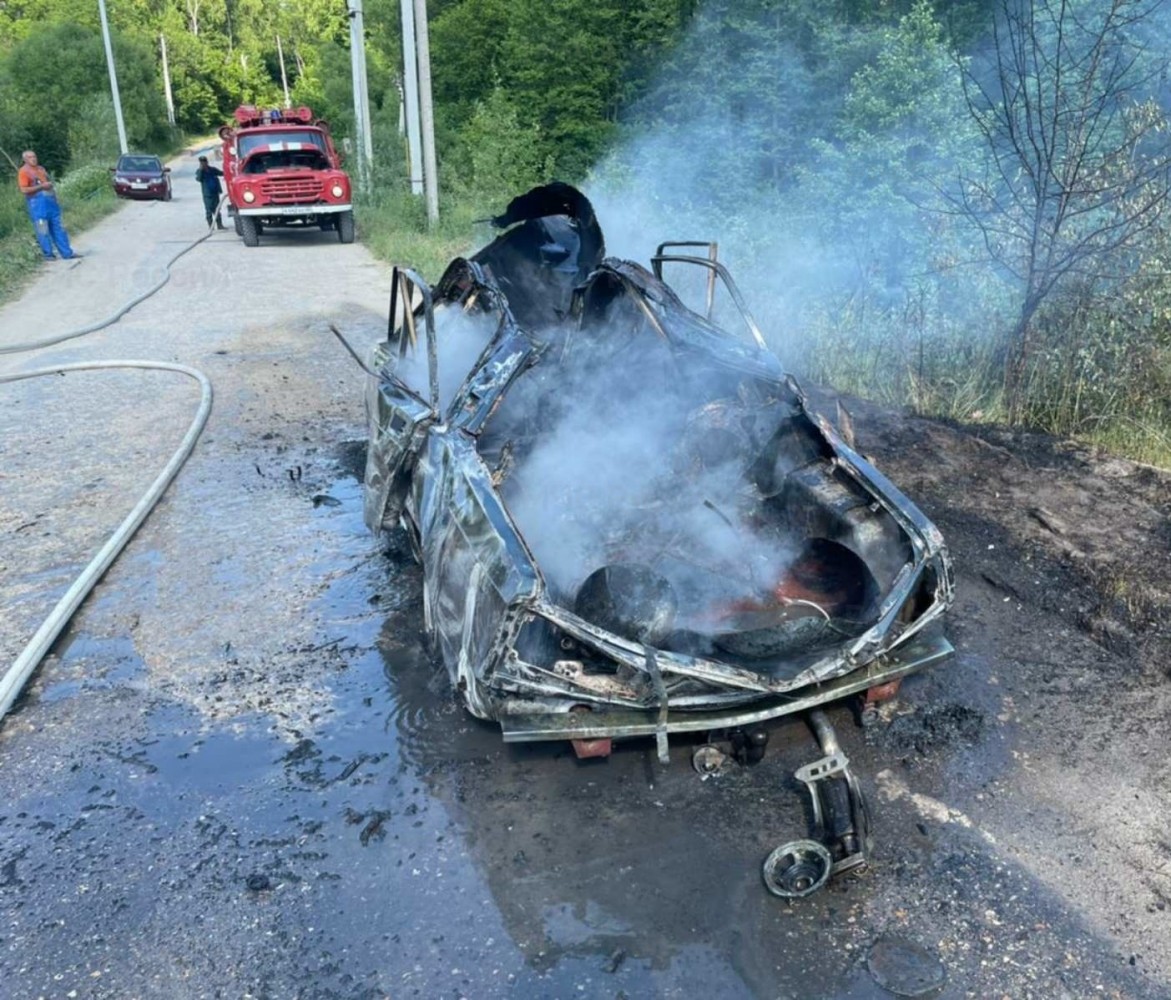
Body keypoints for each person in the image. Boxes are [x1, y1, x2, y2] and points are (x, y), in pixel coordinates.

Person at [17, 150, 79, 261]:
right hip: (37, 206)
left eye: (34, 156)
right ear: (25, 159)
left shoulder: (41, 169)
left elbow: (49, 185)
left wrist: (55, 199)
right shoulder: (23, 172)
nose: (34, 159)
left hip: (51, 204)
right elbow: (24, 189)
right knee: (43, 230)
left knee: (59, 228)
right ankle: (48, 255)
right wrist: (41, 187)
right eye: (30, 157)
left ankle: (67, 253)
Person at [195, 155, 226, 229]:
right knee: (208, 210)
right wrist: (201, 170)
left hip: (215, 193)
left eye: (204, 162)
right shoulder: (199, 171)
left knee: (217, 209)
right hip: (207, 195)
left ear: (207, 162)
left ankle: (219, 225)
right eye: (201, 162)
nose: (203, 164)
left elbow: (221, 173)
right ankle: (211, 225)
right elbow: (199, 179)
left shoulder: (212, 169)